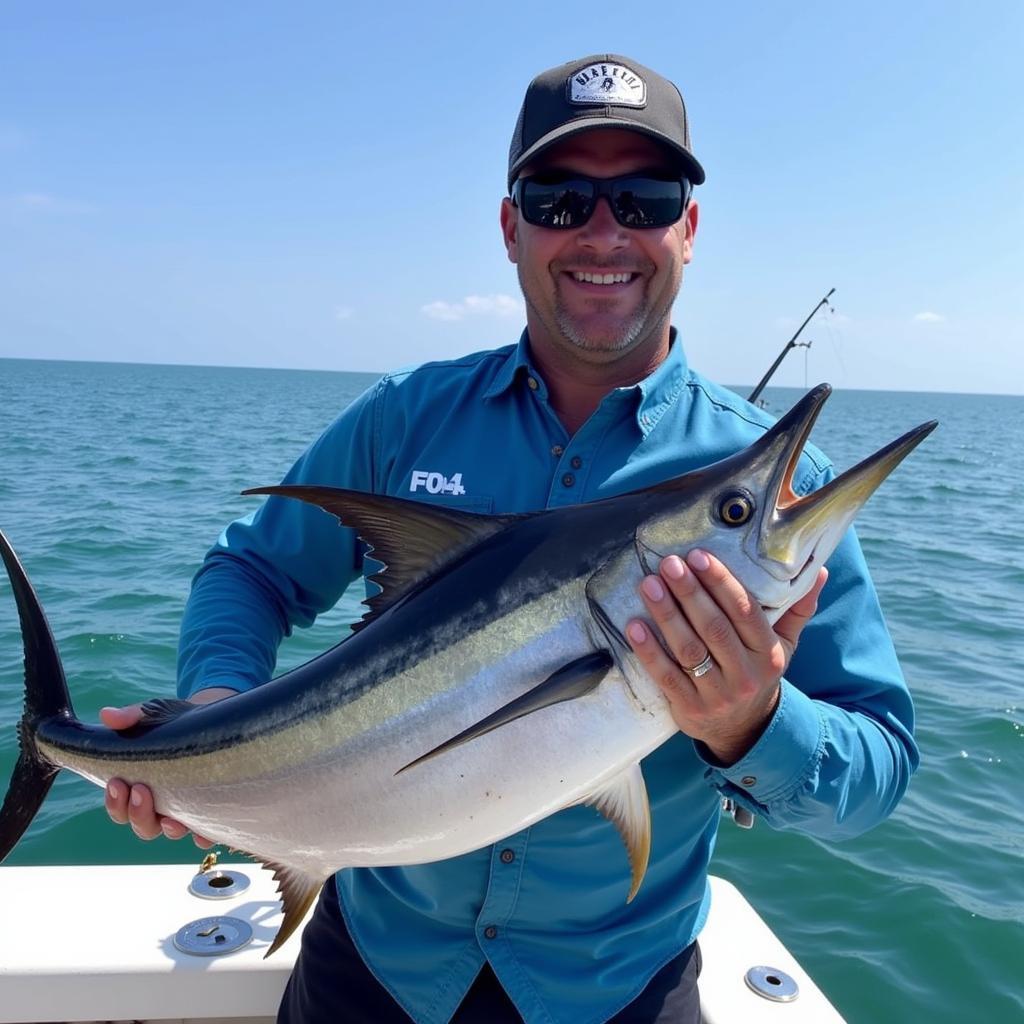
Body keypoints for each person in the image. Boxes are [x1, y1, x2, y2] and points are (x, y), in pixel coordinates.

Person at [101, 54, 918, 1024]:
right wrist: (215, 719)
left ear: (687, 230)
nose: (604, 231)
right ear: (510, 226)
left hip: (617, 990)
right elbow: (252, 570)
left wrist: (752, 720)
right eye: (560, 199)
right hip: (370, 974)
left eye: (645, 197)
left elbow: (877, 767)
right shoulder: (405, 420)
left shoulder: (771, 473)